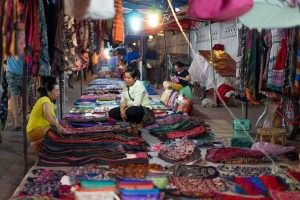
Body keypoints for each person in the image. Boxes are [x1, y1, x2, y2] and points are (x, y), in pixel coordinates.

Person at [26, 80, 66, 152]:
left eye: (59, 91)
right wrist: (58, 127)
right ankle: (36, 144)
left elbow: (53, 119)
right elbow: (47, 115)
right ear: (49, 92)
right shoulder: (45, 99)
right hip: (33, 131)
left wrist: (60, 127)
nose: (59, 93)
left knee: (57, 129)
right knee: (54, 130)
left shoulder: (50, 102)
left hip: (41, 130)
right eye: (56, 91)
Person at [6, 54, 25, 130]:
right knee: (25, 95)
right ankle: (23, 118)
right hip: (23, 71)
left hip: (10, 70)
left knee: (13, 95)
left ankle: (17, 121)